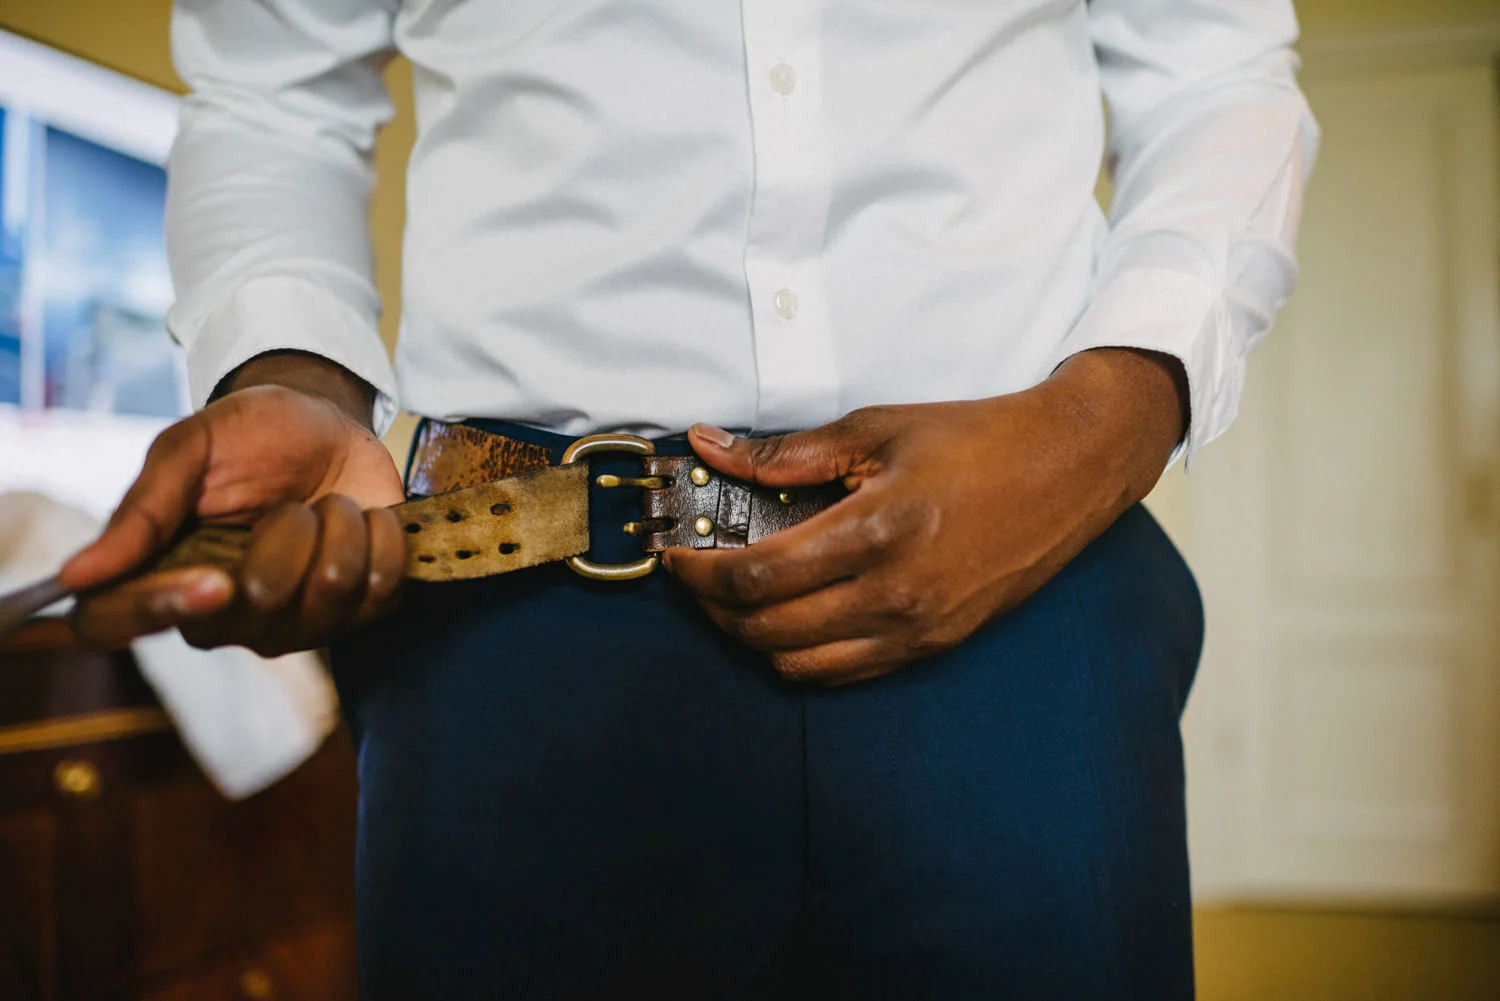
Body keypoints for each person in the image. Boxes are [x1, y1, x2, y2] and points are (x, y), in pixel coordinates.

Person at [61, 0, 1318, 996]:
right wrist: (292, 370)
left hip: (1025, 594)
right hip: (514, 614)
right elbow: (270, 96)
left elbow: (1215, 75)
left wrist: (1110, 421)